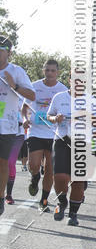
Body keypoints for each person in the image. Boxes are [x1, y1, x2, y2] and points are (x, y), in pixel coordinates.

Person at [46, 86, 96, 225]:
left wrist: (87, 115)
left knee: (78, 181)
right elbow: (49, 116)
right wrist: (55, 118)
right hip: (62, 138)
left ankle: (73, 214)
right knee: (60, 177)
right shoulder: (59, 97)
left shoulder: (91, 100)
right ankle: (62, 201)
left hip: (83, 142)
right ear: (70, 80)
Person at [22, 59, 67, 212]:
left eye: (53, 71)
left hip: (54, 133)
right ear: (43, 71)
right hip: (35, 131)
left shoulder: (62, 90)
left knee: (50, 170)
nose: (50, 73)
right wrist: (25, 119)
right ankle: (35, 178)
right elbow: (24, 107)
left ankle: (44, 200)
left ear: (58, 72)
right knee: (34, 165)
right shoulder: (34, 86)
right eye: (47, 70)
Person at [0, 37, 35, 215]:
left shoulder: (16, 71)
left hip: (6, 125)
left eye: (1, 49)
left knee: (3, 162)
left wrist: (14, 86)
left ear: (9, 52)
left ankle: (1, 197)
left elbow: (32, 95)